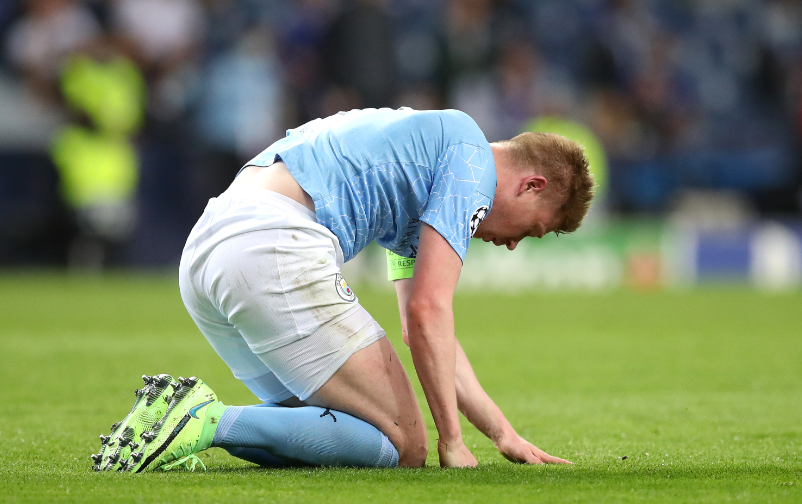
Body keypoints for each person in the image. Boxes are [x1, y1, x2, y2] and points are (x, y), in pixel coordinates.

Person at [92, 107, 594, 472]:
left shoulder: (429, 156)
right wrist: (451, 442)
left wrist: (502, 433)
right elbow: (429, 310)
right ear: (531, 186)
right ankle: (207, 419)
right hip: (272, 243)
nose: (513, 245)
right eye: (534, 229)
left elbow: (421, 328)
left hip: (209, 245)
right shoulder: (471, 163)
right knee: (405, 447)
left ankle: (172, 427)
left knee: (337, 428)